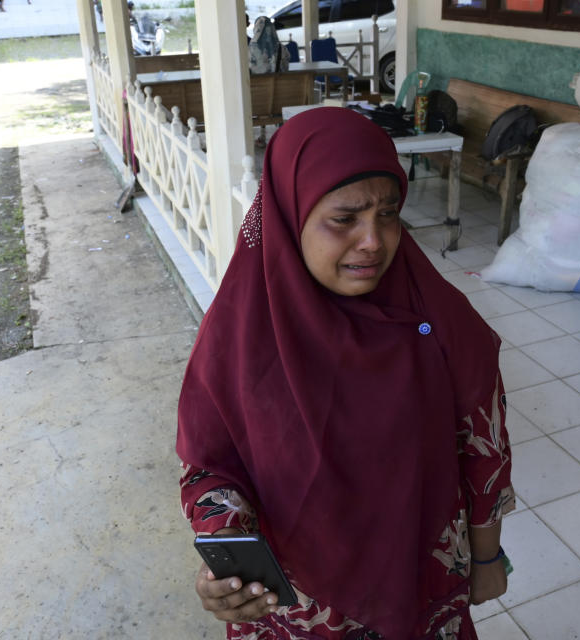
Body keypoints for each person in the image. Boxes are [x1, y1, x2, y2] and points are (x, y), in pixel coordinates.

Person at [177, 107, 515, 639]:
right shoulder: (239, 337)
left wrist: (488, 555)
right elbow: (209, 467)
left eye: (388, 214)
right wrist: (226, 552)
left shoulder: (438, 318)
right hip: (300, 605)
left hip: (423, 585)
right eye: (345, 218)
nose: (374, 241)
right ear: (291, 215)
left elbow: (484, 447)